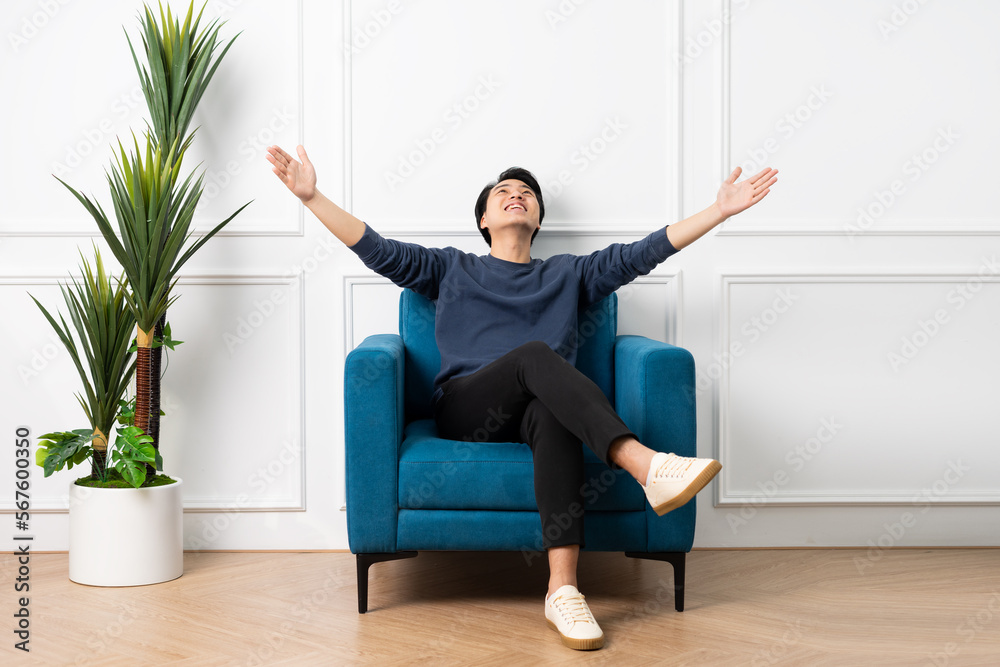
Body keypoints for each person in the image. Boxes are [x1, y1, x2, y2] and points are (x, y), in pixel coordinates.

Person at [266, 144, 777, 650]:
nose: (517, 195)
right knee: (534, 354)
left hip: (538, 409)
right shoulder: (450, 269)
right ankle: (647, 467)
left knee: (552, 415)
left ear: (536, 219)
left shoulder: (568, 274)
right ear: (484, 219)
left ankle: (563, 589)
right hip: (467, 408)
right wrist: (312, 197)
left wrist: (718, 211)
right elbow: (376, 247)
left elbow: (642, 254)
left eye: (527, 193)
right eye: (504, 192)